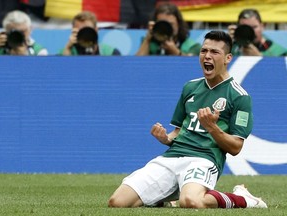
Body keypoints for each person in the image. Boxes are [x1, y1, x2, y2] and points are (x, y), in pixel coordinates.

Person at [108, 30, 268, 209]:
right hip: (172, 157)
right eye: (203, 51)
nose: (207, 56)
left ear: (228, 58)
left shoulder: (239, 96)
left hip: (204, 159)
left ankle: (243, 198)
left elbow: (236, 147)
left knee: (191, 202)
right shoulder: (190, 87)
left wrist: (212, 128)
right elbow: (177, 131)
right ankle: (168, 198)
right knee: (118, 202)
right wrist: (165, 138)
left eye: (214, 52)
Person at [136, 3, 201, 56]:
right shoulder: (149, 43)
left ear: (178, 24)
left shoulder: (192, 46)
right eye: (163, 24)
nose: (166, 28)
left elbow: (191, 66)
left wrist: (176, 52)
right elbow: (136, 65)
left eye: (170, 24)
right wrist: (147, 39)